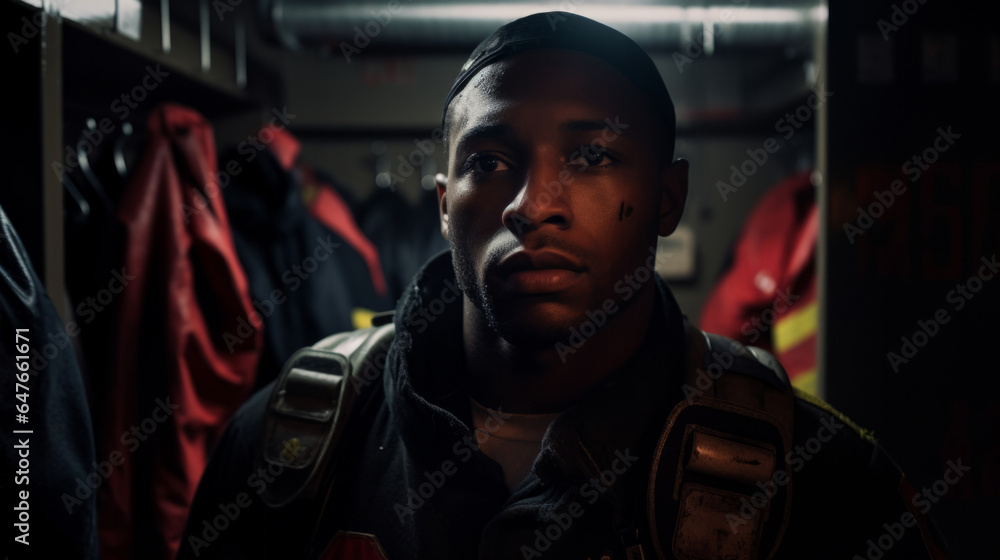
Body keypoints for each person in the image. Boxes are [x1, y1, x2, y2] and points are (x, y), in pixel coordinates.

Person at [178, 12, 947, 560]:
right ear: (445, 207)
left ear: (667, 199)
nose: (533, 204)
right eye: (489, 162)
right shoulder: (293, 448)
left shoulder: (818, 480)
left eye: (592, 156)